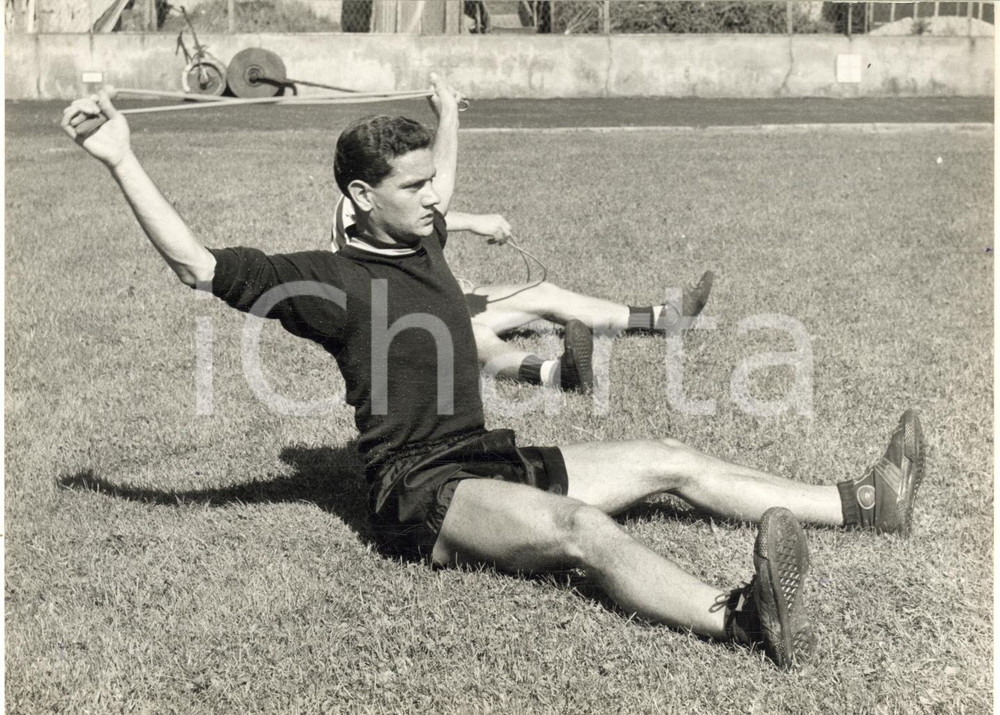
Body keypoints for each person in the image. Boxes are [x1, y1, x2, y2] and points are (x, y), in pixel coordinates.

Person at [61, 77, 925, 671]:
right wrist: (120, 157)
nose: (437, 197)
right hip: (423, 488)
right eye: (414, 185)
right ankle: (739, 616)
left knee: (669, 454)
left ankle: (865, 502)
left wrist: (447, 112)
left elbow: (442, 173)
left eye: (435, 181)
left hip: (486, 449)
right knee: (579, 529)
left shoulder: (422, 234)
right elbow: (197, 266)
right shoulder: (327, 286)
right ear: (363, 197)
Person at [331, 194, 715, 393]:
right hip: (402, 329)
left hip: (443, 301)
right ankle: (556, 375)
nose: (424, 194)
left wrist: (476, 224)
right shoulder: (358, 215)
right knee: (468, 333)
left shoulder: (391, 201)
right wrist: (449, 115)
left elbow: (430, 218)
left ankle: (663, 318)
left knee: (540, 291)